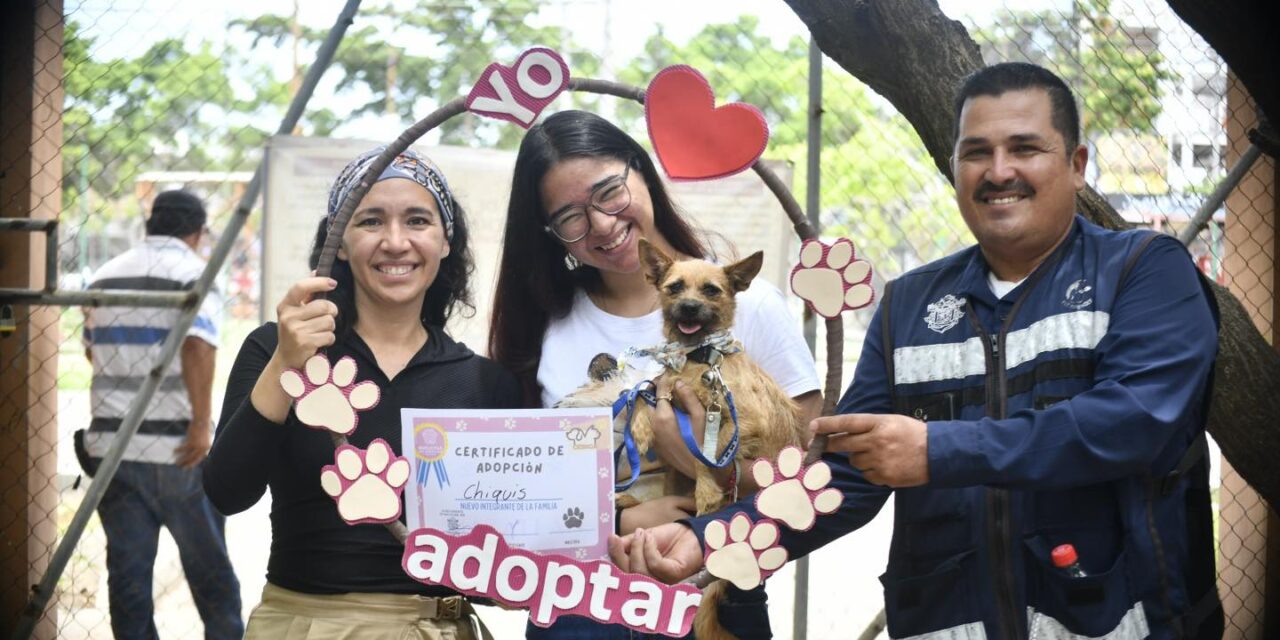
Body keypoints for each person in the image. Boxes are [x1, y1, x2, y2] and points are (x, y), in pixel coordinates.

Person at [613, 62, 1224, 640]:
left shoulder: (1143, 271)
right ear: (955, 167)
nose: (999, 169)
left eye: (1025, 148)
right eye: (976, 152)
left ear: (1077, 163)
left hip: (1121, 619)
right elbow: (843, 478)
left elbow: (1134, 423)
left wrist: (937, 449)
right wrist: (710, 537)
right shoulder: (908, 303)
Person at [488, 110, 822, 639]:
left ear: (642, 171)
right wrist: (620, 523)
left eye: (609, 191)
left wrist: (693, 462)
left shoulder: (750, 304)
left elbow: (805, 473)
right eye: (570, 217)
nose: (601, 223)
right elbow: (524, 488)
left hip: (712, 587)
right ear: (550, 233)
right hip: (578, 602)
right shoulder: (546, 324)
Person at [203, 149, 521, 639]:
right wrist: (288, 363)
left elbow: (500, 556)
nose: (396, 242)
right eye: (371, 221)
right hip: (307, 624)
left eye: (418, 220)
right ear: (342, 243)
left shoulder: (483, 382)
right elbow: (227, 491)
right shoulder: (275, 347)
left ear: (444, 241)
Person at [80, 189, 243, 639]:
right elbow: (197, 347)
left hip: (114, 449)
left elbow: (93, 352)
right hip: (179, 451)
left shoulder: (105, 275)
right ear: (197, 232)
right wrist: (199, 425)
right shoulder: (196, 273)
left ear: (151, 225)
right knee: (212, 576)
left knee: (128, 575)